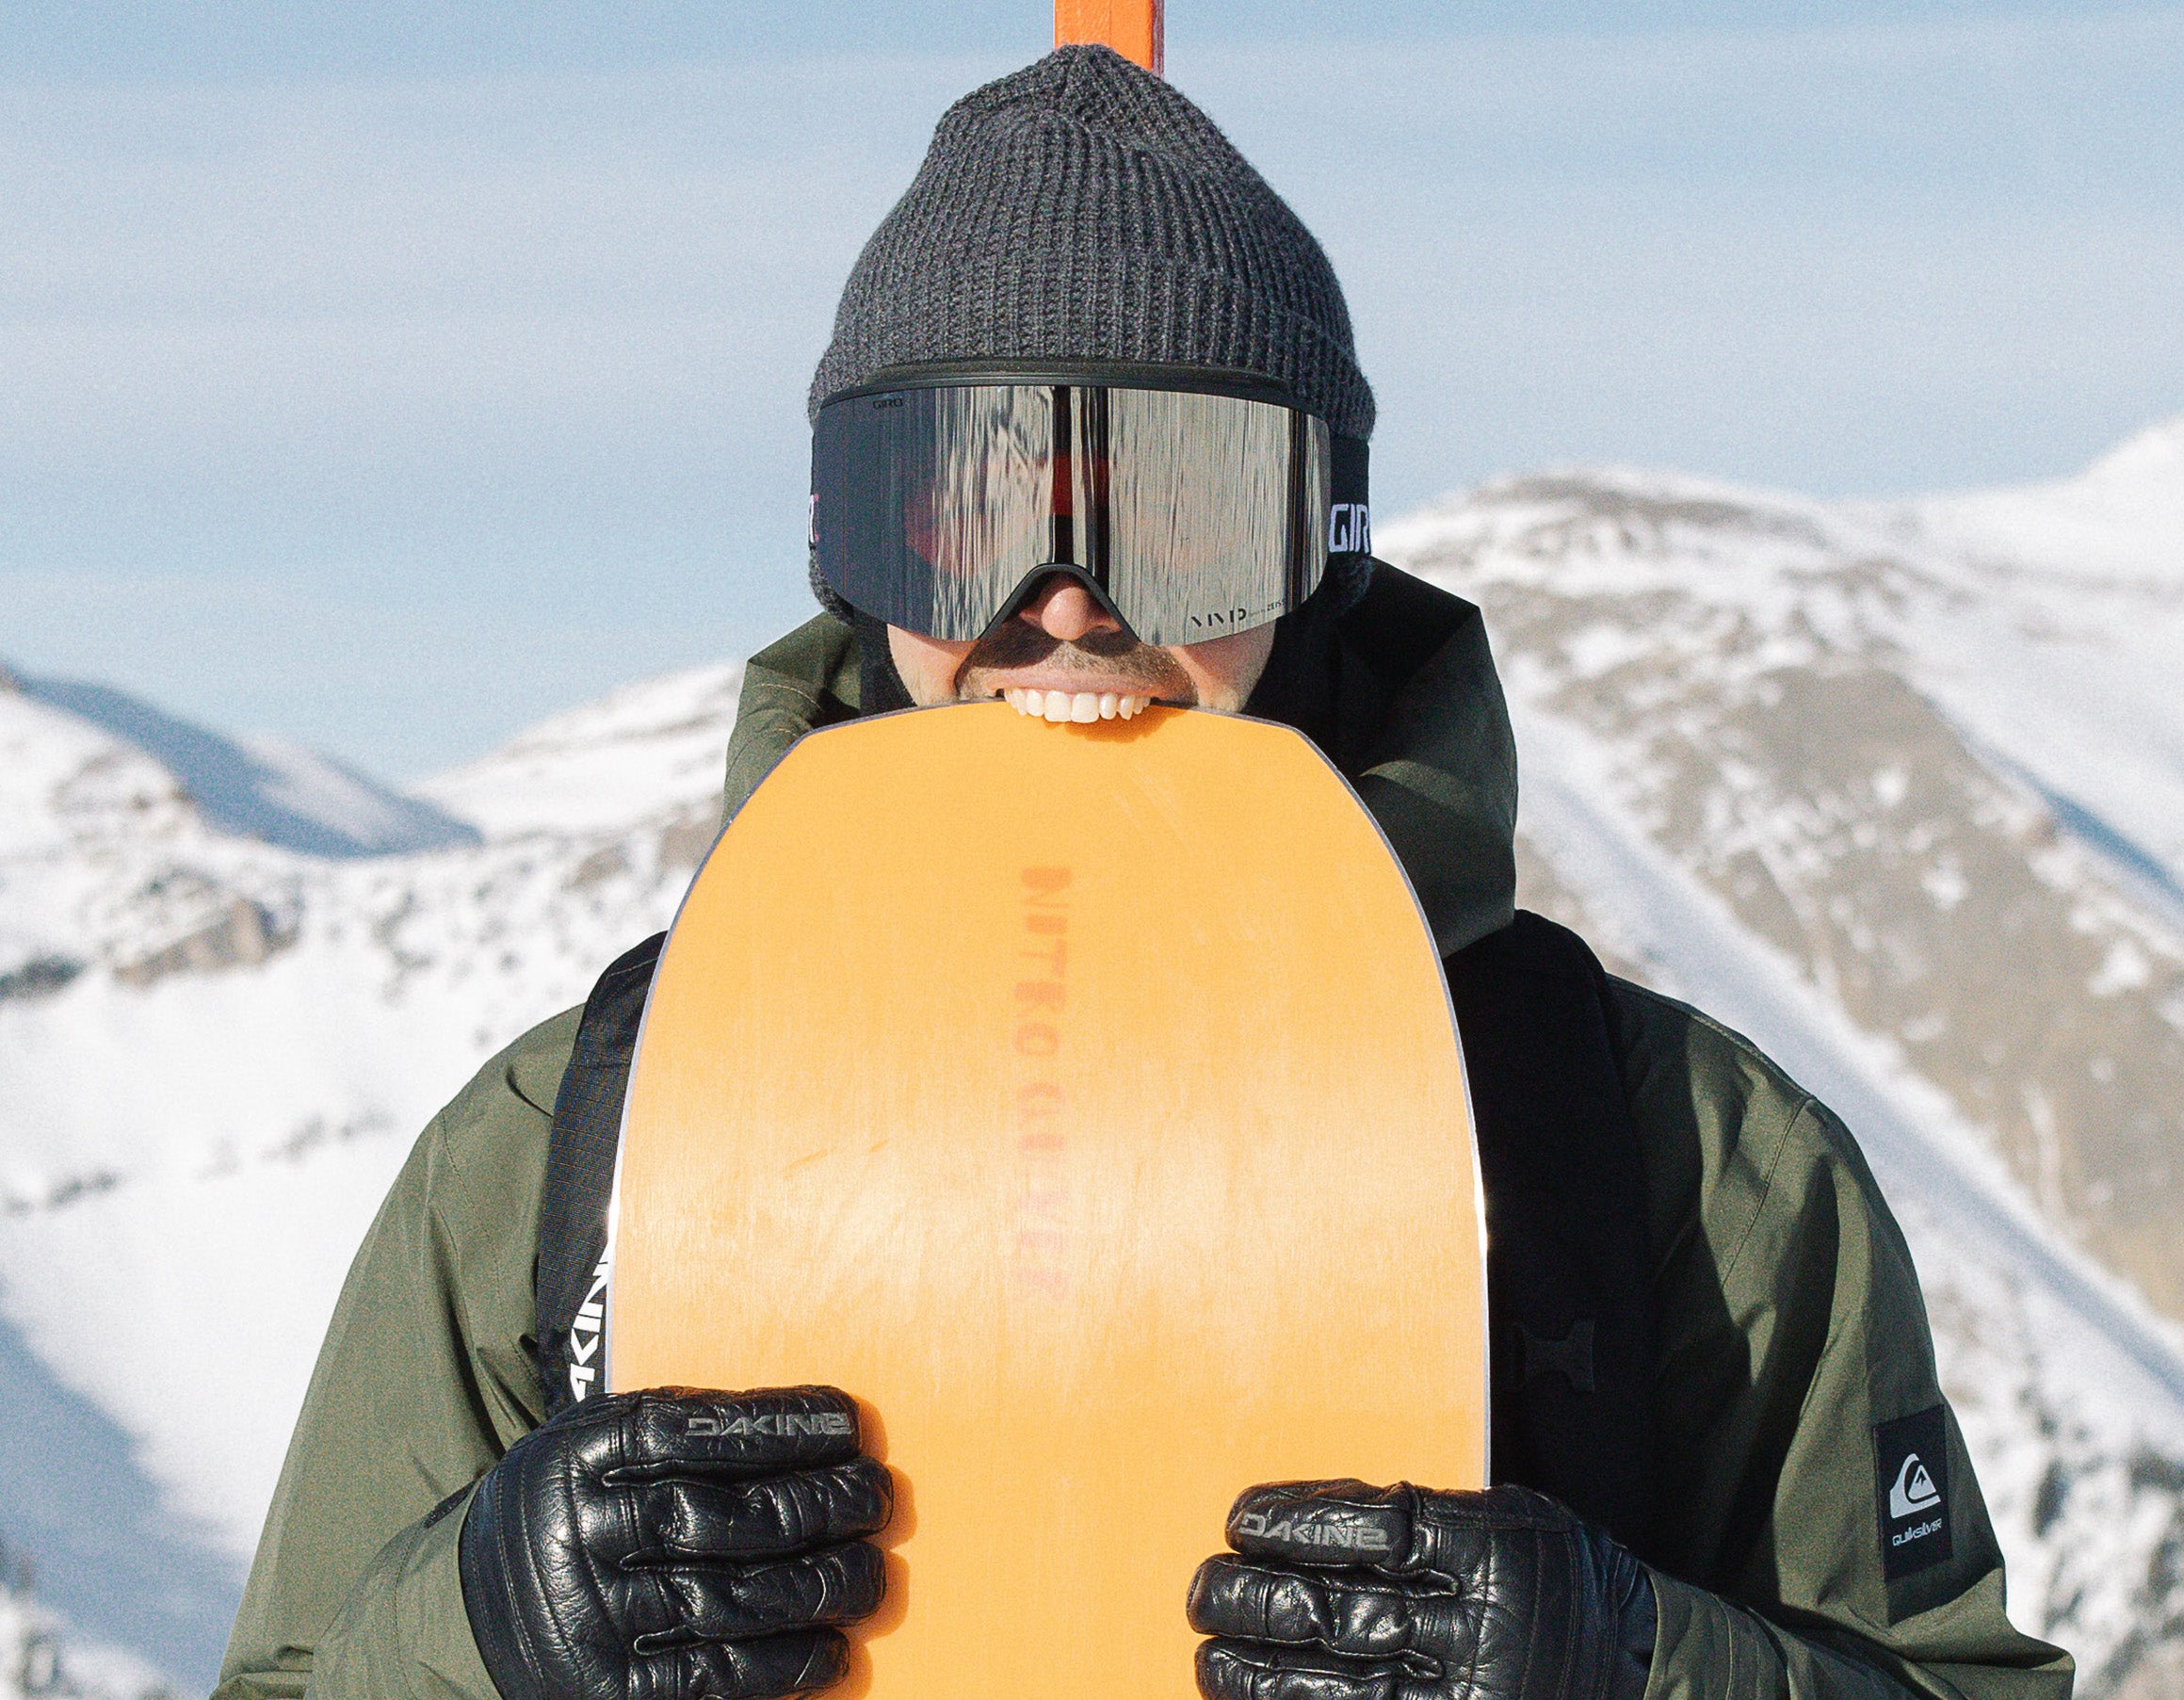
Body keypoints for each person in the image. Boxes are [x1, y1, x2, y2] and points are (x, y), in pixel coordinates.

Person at [215, 46, 2074, 1700]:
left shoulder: (1662, 1147)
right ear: (851, 561)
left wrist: (1631, 1667)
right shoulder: (574, 1141)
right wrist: (485, 1630)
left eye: (1180, 506)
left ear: (1321, 547)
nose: (1068, 600)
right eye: (963, 504)